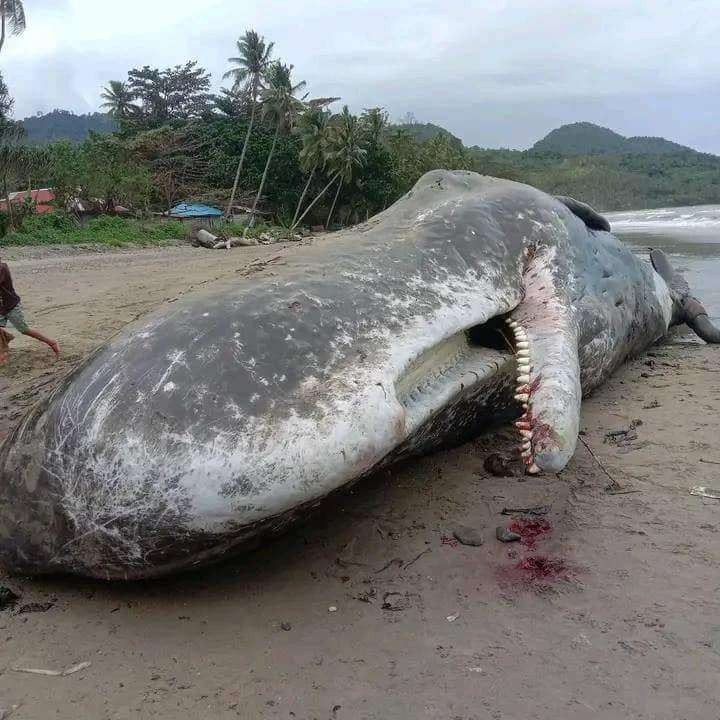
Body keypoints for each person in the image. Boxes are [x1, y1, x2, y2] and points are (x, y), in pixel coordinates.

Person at [0, 257, 60, 362]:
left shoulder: (2, 268)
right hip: (1, 308)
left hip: (11, 306)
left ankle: (51, 342)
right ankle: (2, 351)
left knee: (24, 330)